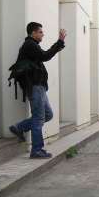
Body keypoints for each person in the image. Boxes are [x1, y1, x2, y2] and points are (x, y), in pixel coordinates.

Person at [9, 22, 66, 159]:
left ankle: (19, 127)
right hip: (34, 86)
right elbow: (45, 56)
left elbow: (42, 56)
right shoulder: (30, 45)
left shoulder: (32, 46)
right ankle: (36, 150)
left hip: (39, 87)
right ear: (33, 33)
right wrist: (59, 42)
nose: (43, 34)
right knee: (39, 117)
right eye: (40, 32)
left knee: (47, 114)